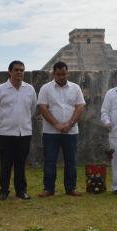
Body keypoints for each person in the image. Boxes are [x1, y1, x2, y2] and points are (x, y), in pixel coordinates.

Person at [0, 60, 37, 200]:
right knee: (6, 164)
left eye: (21, 70)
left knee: (21, 164)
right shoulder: (0, 90)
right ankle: (3, 191)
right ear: (9, 72)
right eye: (16, 70)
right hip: (6, 133)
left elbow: (32, 109)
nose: (19, 72)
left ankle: (21, 191)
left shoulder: (30, 89)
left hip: (24, 133)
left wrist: (22, 121)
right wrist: (5, 121)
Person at [37, 61, 85, 197]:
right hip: (50, 132)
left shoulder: (75, 88)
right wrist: (57, 125)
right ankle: (48, 188)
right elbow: (43, 108)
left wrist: (69, 124)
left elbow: (80, 107)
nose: (61, 77)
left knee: (71, 161)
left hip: (71, 131)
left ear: (67, 72)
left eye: (64, 74)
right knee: (50, 161)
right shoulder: (45, 88)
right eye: (58, 74)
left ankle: (71, 188)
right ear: (54, 74)